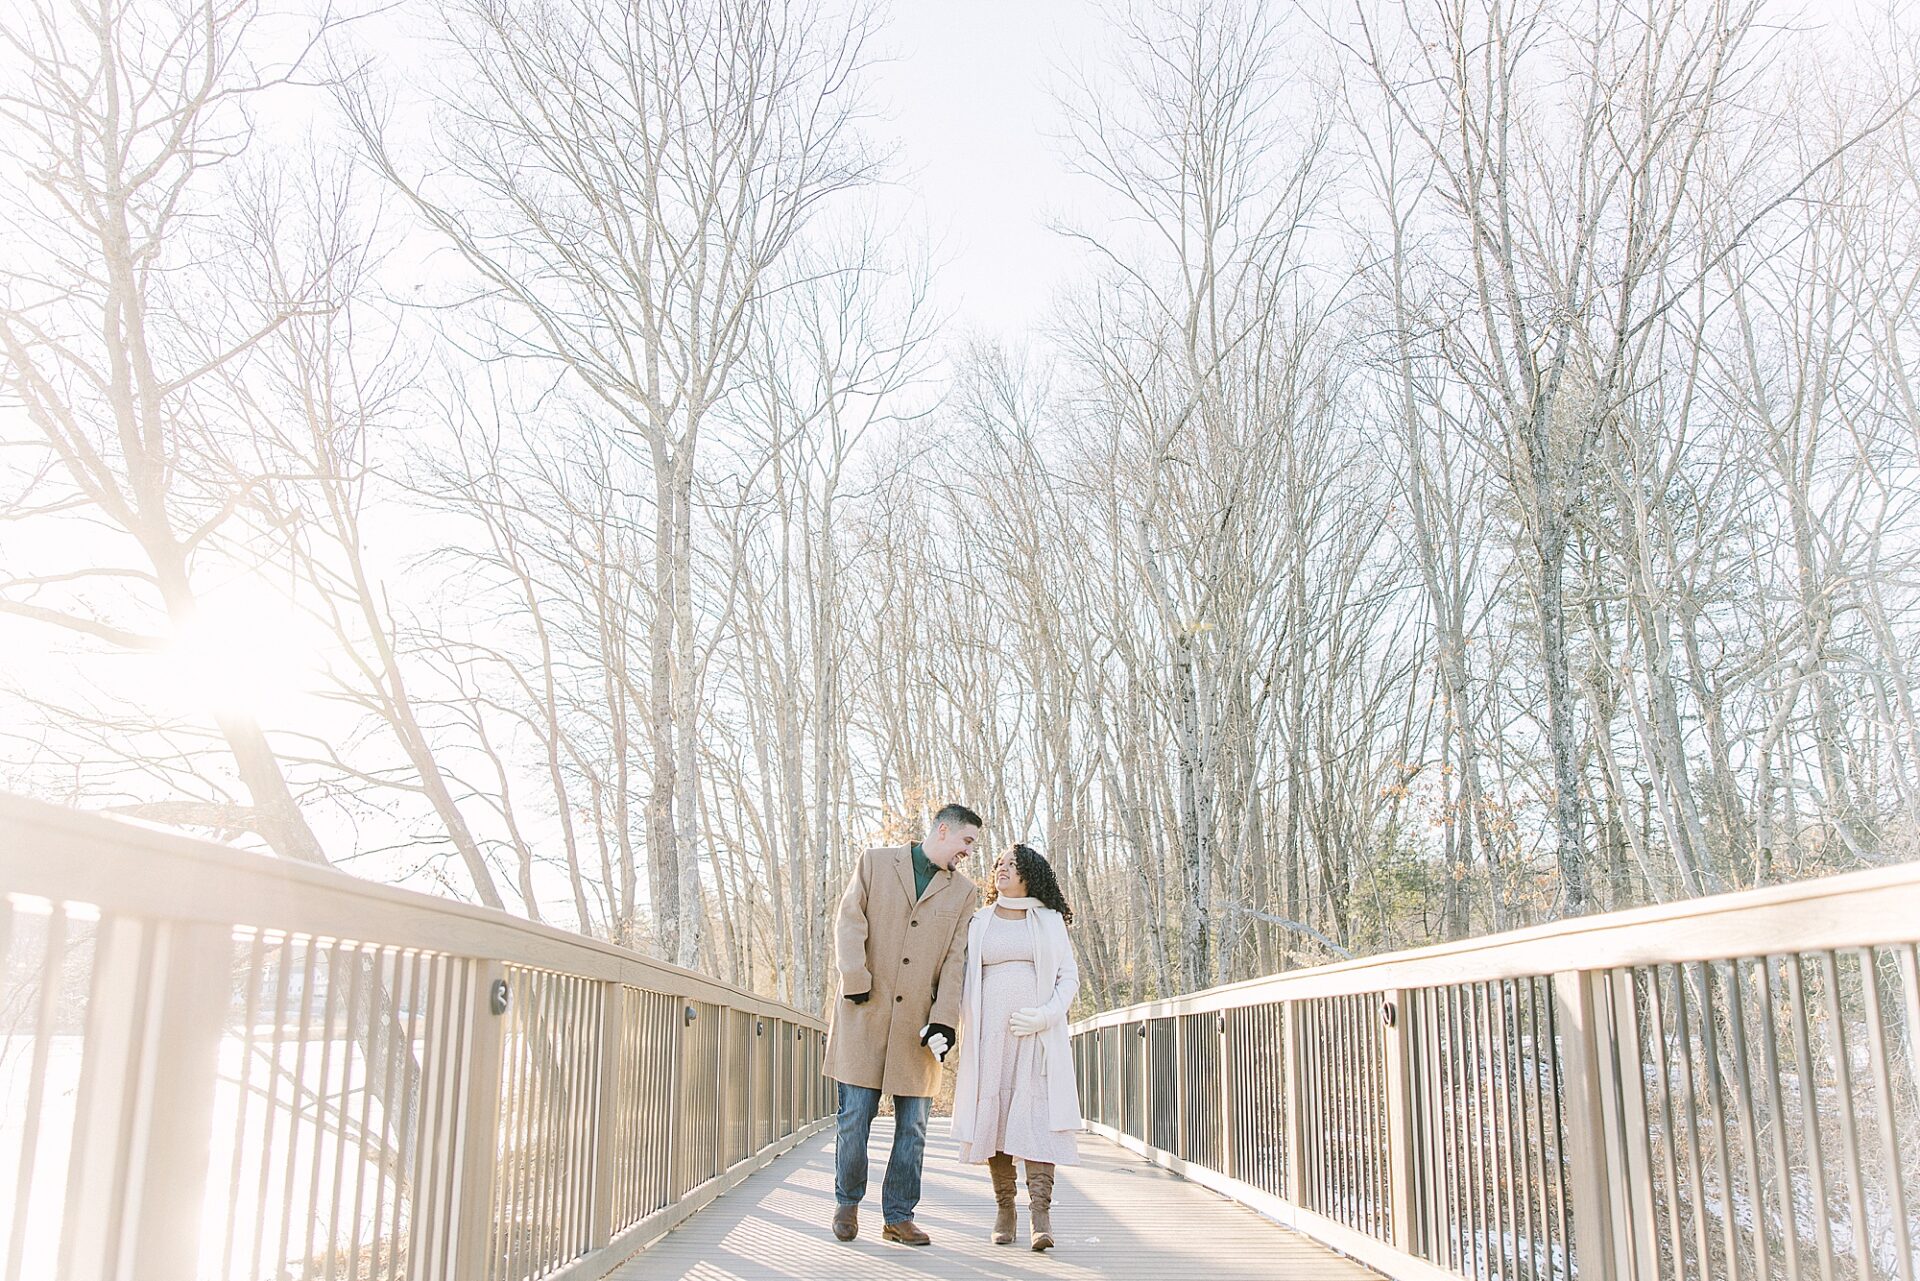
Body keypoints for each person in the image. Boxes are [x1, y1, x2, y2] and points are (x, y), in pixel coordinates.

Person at [824, 802, 982, 1246]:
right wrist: (855, 978)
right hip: (865, 1012)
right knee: (854, 1116)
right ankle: (847, 1203)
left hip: (920, 1026)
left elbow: (957, 960)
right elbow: (849, 920)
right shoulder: (875, 862)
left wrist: (945, 1021)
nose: (969, 851)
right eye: (967, 841)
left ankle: (898, 1216)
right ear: (944, 831)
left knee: (913, 1125)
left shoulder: (964, 892)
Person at [949, 842, 1082, 1252]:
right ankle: (1004, 1209)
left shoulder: (1048, 920)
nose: (1002, 868)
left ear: (1029, 874)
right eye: (999, 863)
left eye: (1012, 864)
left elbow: (1068, 977)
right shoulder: (978, 921)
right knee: (999, 1117)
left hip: (1037, 1035)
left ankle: (1040, 1216)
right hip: (991, 1035)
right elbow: (957, 973)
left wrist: (1045, 1015)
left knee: (1037, 1115)